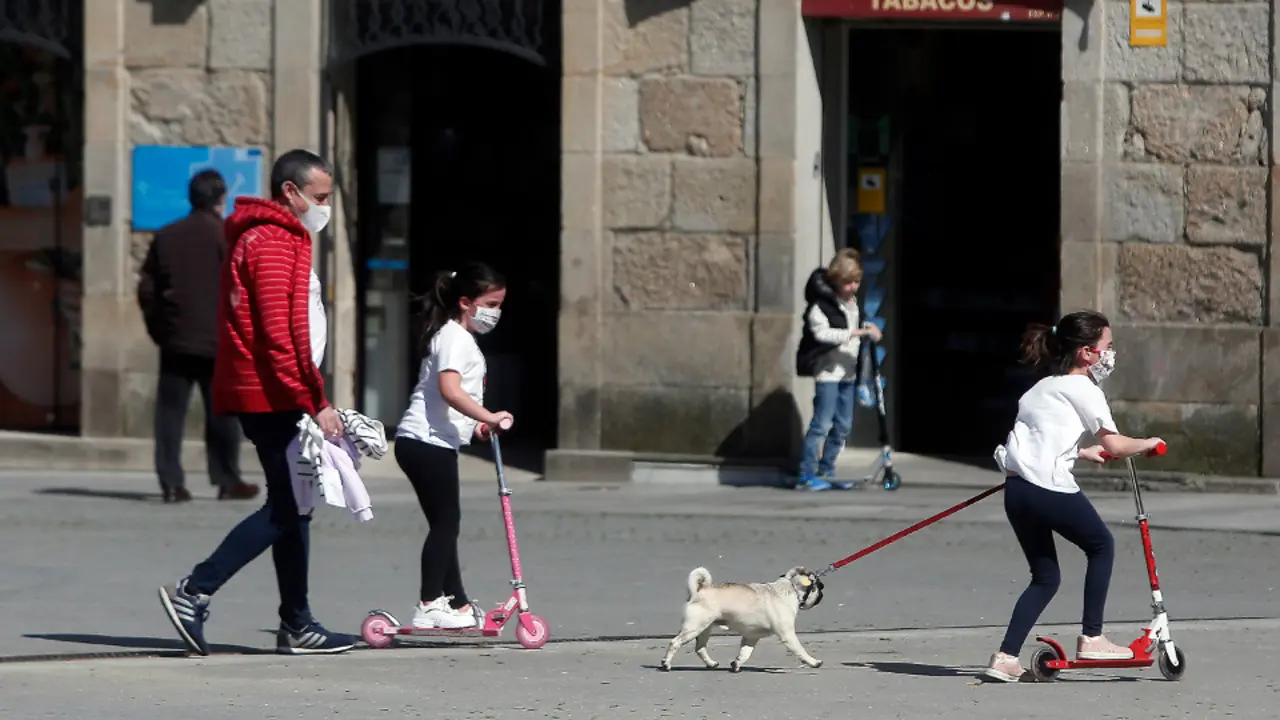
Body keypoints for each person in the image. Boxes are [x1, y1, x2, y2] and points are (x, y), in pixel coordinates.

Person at [158, 149, 356, 656]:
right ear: (289, 192)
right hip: (273, 393)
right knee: (287, 507)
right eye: (320, 197)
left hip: (275, 389)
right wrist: (316, 399)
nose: (325, 207)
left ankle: (297, 622)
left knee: (296, 506)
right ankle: (195, 591)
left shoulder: (279, 237)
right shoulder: (272, 239)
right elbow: (278, 331)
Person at [984, 311, 1164, 682]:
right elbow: (1114, 441)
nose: (1110, 354)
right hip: (1046, 488)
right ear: (1086, 352)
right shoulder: (1086, 390)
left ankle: (1005, 657)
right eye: (1106, 347)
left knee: (1045, 577)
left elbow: (1040, 437)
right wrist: (1148, 442)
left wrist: (1081, 453)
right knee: (1101, 546)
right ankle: (1093, 637)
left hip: (1017, 491)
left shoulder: (1039, 388)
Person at [395, 262, 513, 630]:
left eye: (499, 305)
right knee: (447, 523)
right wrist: (489, 415)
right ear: (466, 302)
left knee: (445, 523)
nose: (495, 313)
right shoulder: (454, 337)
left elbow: (451, 400)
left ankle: (457, 603)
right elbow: (449, 390)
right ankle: (429, 603)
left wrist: (477, 427)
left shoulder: (458, 337)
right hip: (424, 441)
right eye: (490, 304)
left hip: (433, 441)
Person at [137, 169, 258, 503]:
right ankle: (226, 478)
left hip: (176, 339)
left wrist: (159, 329)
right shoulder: (228, 238)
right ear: (221, 199)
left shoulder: (166, 236)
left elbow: (147, 289)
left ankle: (172, 482)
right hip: (218, 342)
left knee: (170, 415)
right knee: (222, 414)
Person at [793, 248, 882, 491]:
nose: (853, 287)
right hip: (828, 373)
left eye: (857, 282)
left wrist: (867, 328)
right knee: (821, 424)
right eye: (848, 283)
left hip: (848, 372)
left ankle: (827, 469)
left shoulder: (852, 304)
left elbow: (855, 325)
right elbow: (822, 334)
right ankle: (807, 473)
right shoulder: (820, 307)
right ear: (835, 281)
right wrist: (856, 332)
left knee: (843, 425)